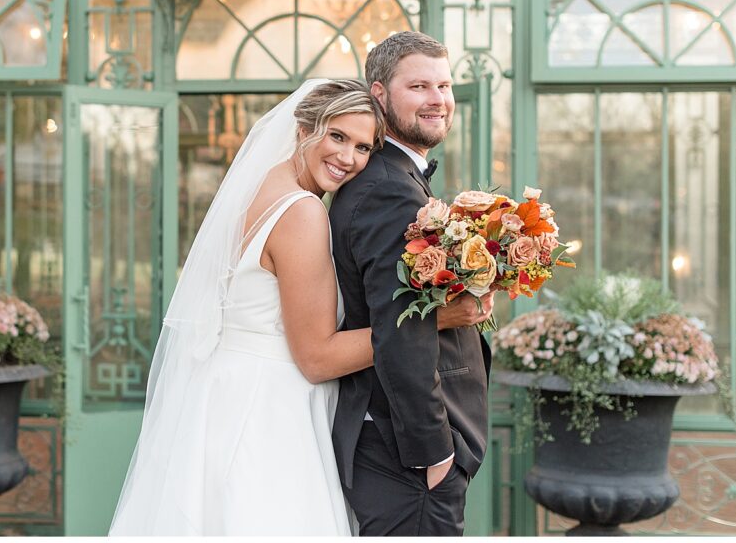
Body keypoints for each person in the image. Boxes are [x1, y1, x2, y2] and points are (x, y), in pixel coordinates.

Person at [108, 77, 488, 536]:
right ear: (303, 128)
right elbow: (316, 357)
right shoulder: (302, 213)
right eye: (337, 136)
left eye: (364, 147)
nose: (348, 158)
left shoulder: (260, 187)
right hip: (270, 412)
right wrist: (433, 319)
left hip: (224, 394)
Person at [329, 32, 494, 536]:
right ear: (379, 94)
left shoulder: (396, 179)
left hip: (398, 449)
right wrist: (434, 451)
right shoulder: (387, 192)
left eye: (443, 86)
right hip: (409, 455)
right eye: (419, 86)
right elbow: (396, 328)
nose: (438, 100)